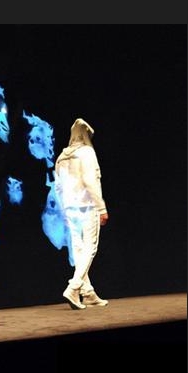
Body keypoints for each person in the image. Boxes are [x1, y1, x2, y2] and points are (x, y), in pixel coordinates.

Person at [54, 118, 109, 310]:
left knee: (78, 248)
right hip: (88, 205)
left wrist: (63, 209)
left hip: (70, 207)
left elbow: (58, 186)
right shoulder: (87, 152)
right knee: (90, 247)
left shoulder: (61, 157)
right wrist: (101, 207)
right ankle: (73, 287)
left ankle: (88, 292)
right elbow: (90, 180)